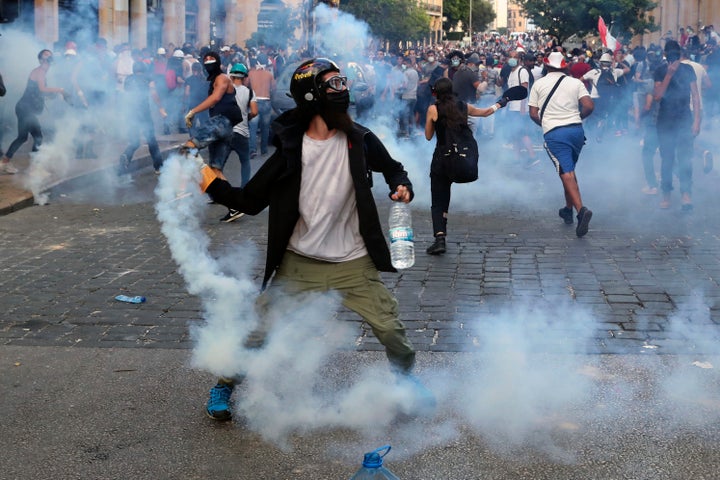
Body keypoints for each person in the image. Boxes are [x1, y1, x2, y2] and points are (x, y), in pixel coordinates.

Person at [189, 58, 425, 421]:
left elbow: (393, 167)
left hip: (353, 261)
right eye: (334, 85)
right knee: (259, 330)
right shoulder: (290, 149)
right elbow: (251, 201)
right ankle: (225, 384)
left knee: (391, 329)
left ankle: (405, 380)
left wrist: (401, 185)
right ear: (313, 96)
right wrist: (214, 187)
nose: (343, 91)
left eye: (343, 82)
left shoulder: (359, 140)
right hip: (299, 263)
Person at [424, 77, 508, 255]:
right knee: (444, 198)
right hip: (460, 158)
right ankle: (441, 236)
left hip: (441, 159)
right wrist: (501, 103)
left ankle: (440, 238)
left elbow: (428, 136)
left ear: (436, 92)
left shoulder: (433, 109)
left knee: (439, 200)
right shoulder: (463, 106)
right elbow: (485, 113)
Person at [528, 52, 595, 237]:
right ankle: (568, 210)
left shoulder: (539, 84)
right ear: (565, 66)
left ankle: (581, 210)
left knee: (566, 172)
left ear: (547, 65)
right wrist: (577, 118)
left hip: (555, 133)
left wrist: (547, 124)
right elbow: (589, 106)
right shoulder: (576, 82)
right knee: (569, 170)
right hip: (576, 131)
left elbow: (533, 113)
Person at [181, 50, 244, 185]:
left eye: (212, 61)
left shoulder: (222, 78)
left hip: (220, 122)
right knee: (216, 170)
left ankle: (184, 187)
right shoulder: (211, 80)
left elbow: (215, 98)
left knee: (188, 147)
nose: (209, 64)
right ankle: (232, 200)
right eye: (206, 62)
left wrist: (192, 112)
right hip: (225, 127)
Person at [1, 49, 67, 174]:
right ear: (41, 59)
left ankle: (5, 162)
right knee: (37, 137)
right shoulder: (39, 71)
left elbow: (40, 92)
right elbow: (42, 88)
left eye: (50, 54)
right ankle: (33, 167)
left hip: (25, 109)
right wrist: (60, 90)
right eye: (46, 54)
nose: (49, 56)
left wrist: (55, 95)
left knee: (22, 137)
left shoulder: (42, 72)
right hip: (26, 109)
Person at [653, 40, 701, 211]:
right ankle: (666, 194)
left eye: (677, 55)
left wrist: (697, 121)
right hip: (665, 121)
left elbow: (695, 96)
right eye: (671, 55)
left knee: (685, 158)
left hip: (684, 120)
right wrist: (669, 75)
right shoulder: (660, 70)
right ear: (665, 55)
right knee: (667, 159)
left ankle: (686, 194)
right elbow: (657, 96)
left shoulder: (688, 70)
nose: (674, 58)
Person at [220, 62, 258, 223]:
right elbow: (255, 112)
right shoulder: (249, 92)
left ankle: (220, 192)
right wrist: (246, 118)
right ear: (244, 77)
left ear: (232, 76)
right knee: (245, 162)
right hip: (242, 133)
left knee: (218, 166)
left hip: (227, 132)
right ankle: (244, 190)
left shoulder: (226, 90)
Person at [118, 61, 167, 174]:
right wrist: (161, 108)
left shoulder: (128, 79)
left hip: (131, 113)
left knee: (134, 141)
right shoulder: (147, 78)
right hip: (144, 113)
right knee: (151, 140)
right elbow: (154, 93)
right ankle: (159, 166)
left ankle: (126, 155)